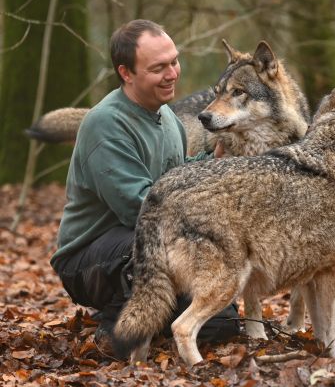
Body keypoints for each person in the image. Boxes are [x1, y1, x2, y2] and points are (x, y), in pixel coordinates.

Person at [50, 20, 239, 349]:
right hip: (91, 258)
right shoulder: (105, 123)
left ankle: (158, 316)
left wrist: (213, 162)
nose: (172, 73)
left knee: (220, 326)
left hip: (152, 241)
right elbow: (136, 208)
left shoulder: (168, 118)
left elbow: (176, 178)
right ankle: (115, 326)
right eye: (158, 68)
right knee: (130, 337)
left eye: (174, 61)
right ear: (126, 73)